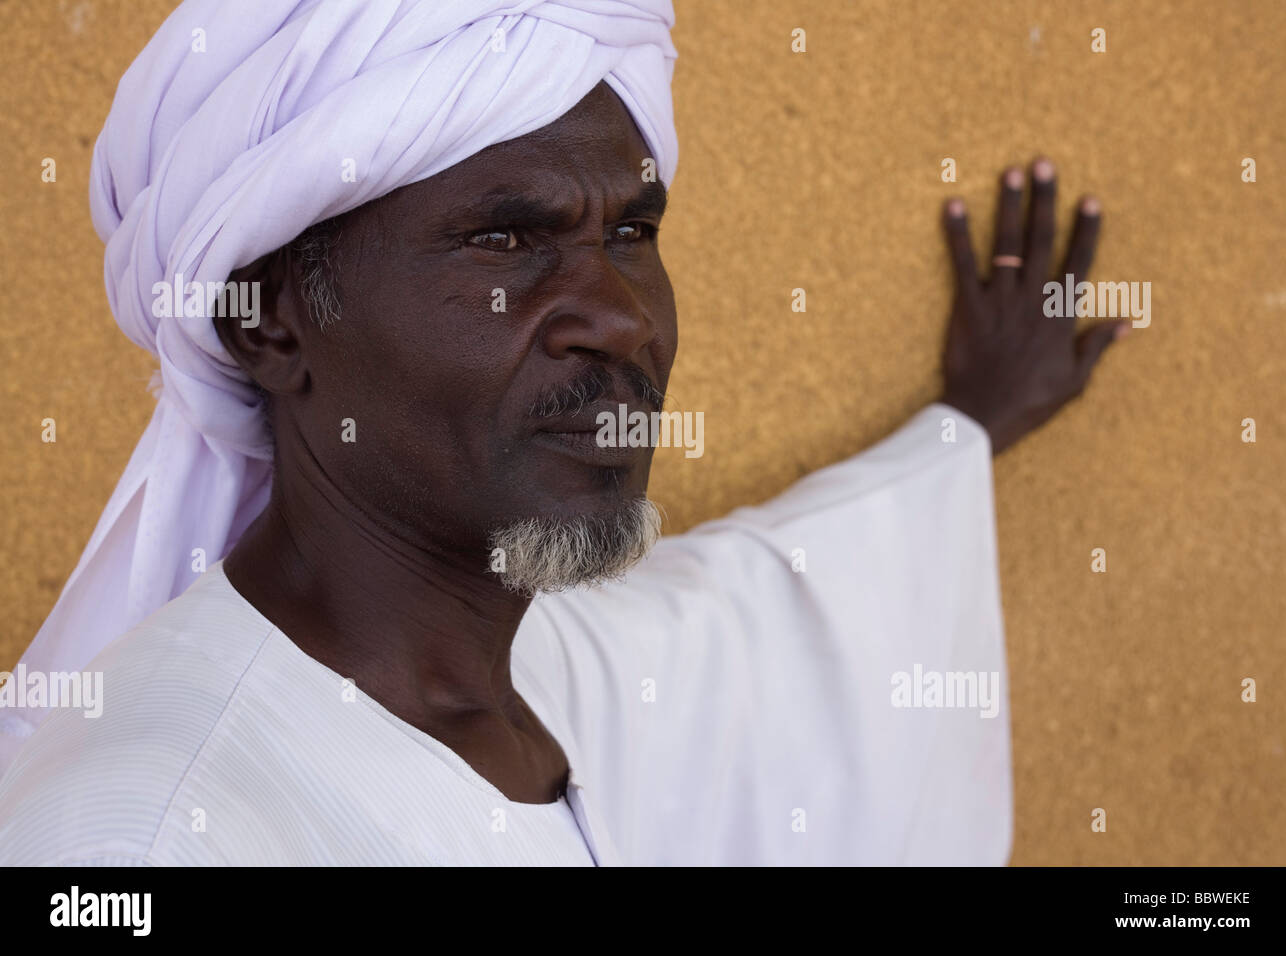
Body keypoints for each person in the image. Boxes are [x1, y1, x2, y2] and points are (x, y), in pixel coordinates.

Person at [0, 0, 1124, 865]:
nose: (621, 315)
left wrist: (972, 421)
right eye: (501, 240)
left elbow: (759, 602)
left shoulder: (554, 668)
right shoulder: (145, 838)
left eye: (632, 230)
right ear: (274, 324)